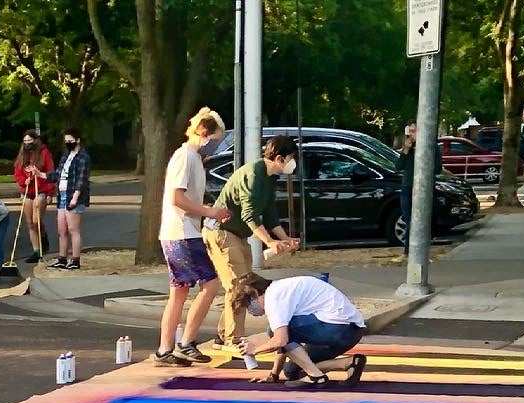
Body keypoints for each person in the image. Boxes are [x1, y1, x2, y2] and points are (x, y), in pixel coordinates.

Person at [206, 136, 300, 350]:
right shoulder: (255, 175)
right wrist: (269, 241)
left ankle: (223, 336)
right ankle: (233, 339)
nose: (293, 163)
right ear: (279, 158)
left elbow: (269, 213)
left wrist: (284, 239)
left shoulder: (269, 177)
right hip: (221, 232)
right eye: (291, 158)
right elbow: (250, 215)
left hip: (236, 234)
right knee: (238, 287)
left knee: (243, 284)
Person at [155, 107, 232, 366]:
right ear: (203, 133)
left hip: (179, 232)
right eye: (215, 140)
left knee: (179, 291)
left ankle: (166, 349)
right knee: (210, 284)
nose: (215, 146)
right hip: (182, 233)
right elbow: (177, 198)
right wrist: (211, 211)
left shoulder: (192, 158)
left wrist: (209, 210)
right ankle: (185, 343)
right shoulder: (186, 157)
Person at [231, 271, 368, 386]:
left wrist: (254, 350)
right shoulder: (281, 288)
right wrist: (274, 374)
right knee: (291, 371)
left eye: (248, 304)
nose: (250, 310)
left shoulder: (273, 297)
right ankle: (349, 363)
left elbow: (280, 340)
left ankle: (315, 376)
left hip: (339, 329)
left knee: (274, 331)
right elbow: (283, 343)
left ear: (255, 292)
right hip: (351, 331)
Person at [50, 129, 90, 270]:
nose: (67, 143)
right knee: (62, 229)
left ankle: (75, 259)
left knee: (73, 229)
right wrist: (40, 174)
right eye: (66, 141)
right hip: (62, 195)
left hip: (73, 197)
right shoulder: (66, 156)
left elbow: (81, 179)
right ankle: (62, 258)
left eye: (70, 141)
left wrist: (75, 197)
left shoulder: (83, 157)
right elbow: (57, 174)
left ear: (77, 140)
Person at [13, 131, 55, 262]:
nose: (27, 144)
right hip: (27, 191)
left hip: (40, 190)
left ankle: (43, 236)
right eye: (25, 142)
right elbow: (17, 172)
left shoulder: (44, 153)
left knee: (36, 220)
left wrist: (50, 192)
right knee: (30, 223)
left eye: (29, 141)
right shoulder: (22, 155)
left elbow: (50, 172)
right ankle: (36, 251)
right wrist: (22, 181)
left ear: (35, 141)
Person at [397, 123, 416, 254]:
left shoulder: (429, 148)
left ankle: (415, 248)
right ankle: (408, 249)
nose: (411, 135)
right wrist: (406, 150)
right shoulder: (407, 149)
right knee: (408, 218)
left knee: (418, 219)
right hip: (407, 187)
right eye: (409, 132)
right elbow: (398, 166)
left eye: (414, 131)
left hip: (420, 188)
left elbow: (437, 167)